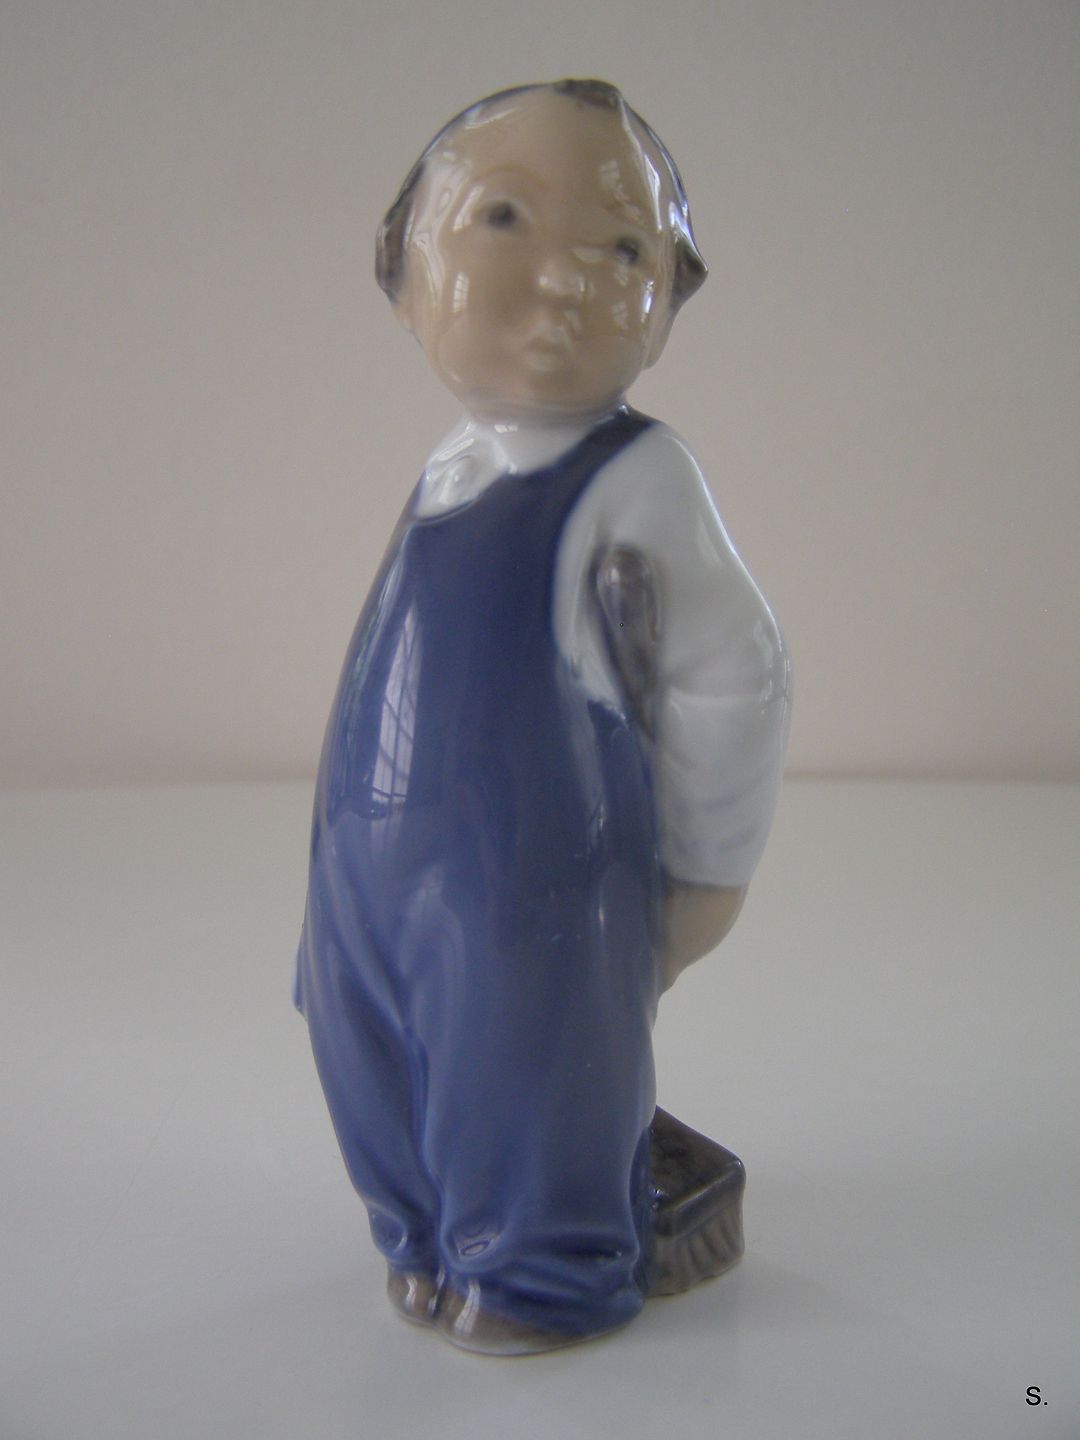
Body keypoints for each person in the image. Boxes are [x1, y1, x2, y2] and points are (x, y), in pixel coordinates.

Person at [294, 79, 791, 1354]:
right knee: (368, 1050)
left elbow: (735, 672)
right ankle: (418, 1231)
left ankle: (540, 1274)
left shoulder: (640, 476)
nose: (568, 278)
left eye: (623, 248)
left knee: (526, 1071)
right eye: (505, 218)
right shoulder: (451, 462)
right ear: (403, 272)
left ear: (665, 303)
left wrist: (707, 873)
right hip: (370, 864)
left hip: (535, 881)